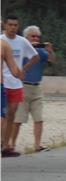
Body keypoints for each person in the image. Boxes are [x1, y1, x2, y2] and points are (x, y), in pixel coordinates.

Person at [11, 25, 55, 152]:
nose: (35, 38)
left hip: (37, 87)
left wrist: (50, 50)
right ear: (26, 38)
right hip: (23, 86)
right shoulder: (21, 49)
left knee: (39, 118)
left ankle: (37, 145)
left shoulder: (40, 51)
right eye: (32, 36)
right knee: (18, 120)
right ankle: (11, 145)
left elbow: (52, 61)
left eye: (37, 36)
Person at [0, 15, 40, 156]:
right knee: (3, 115)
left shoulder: (22, 41)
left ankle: (6, 146)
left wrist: (25, 69)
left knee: (11, 115)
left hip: (16, 83)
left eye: (15, 25)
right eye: (10, 24)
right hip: (3, 82)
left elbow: (35, 56)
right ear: (5, 25)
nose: (12, 27)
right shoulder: (2, 41)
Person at [1, 39, 22, 157]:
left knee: (3, 118)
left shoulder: (4, 45)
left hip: (1, 86)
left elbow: (12, 67)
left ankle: (4, 146)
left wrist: (20, 74)